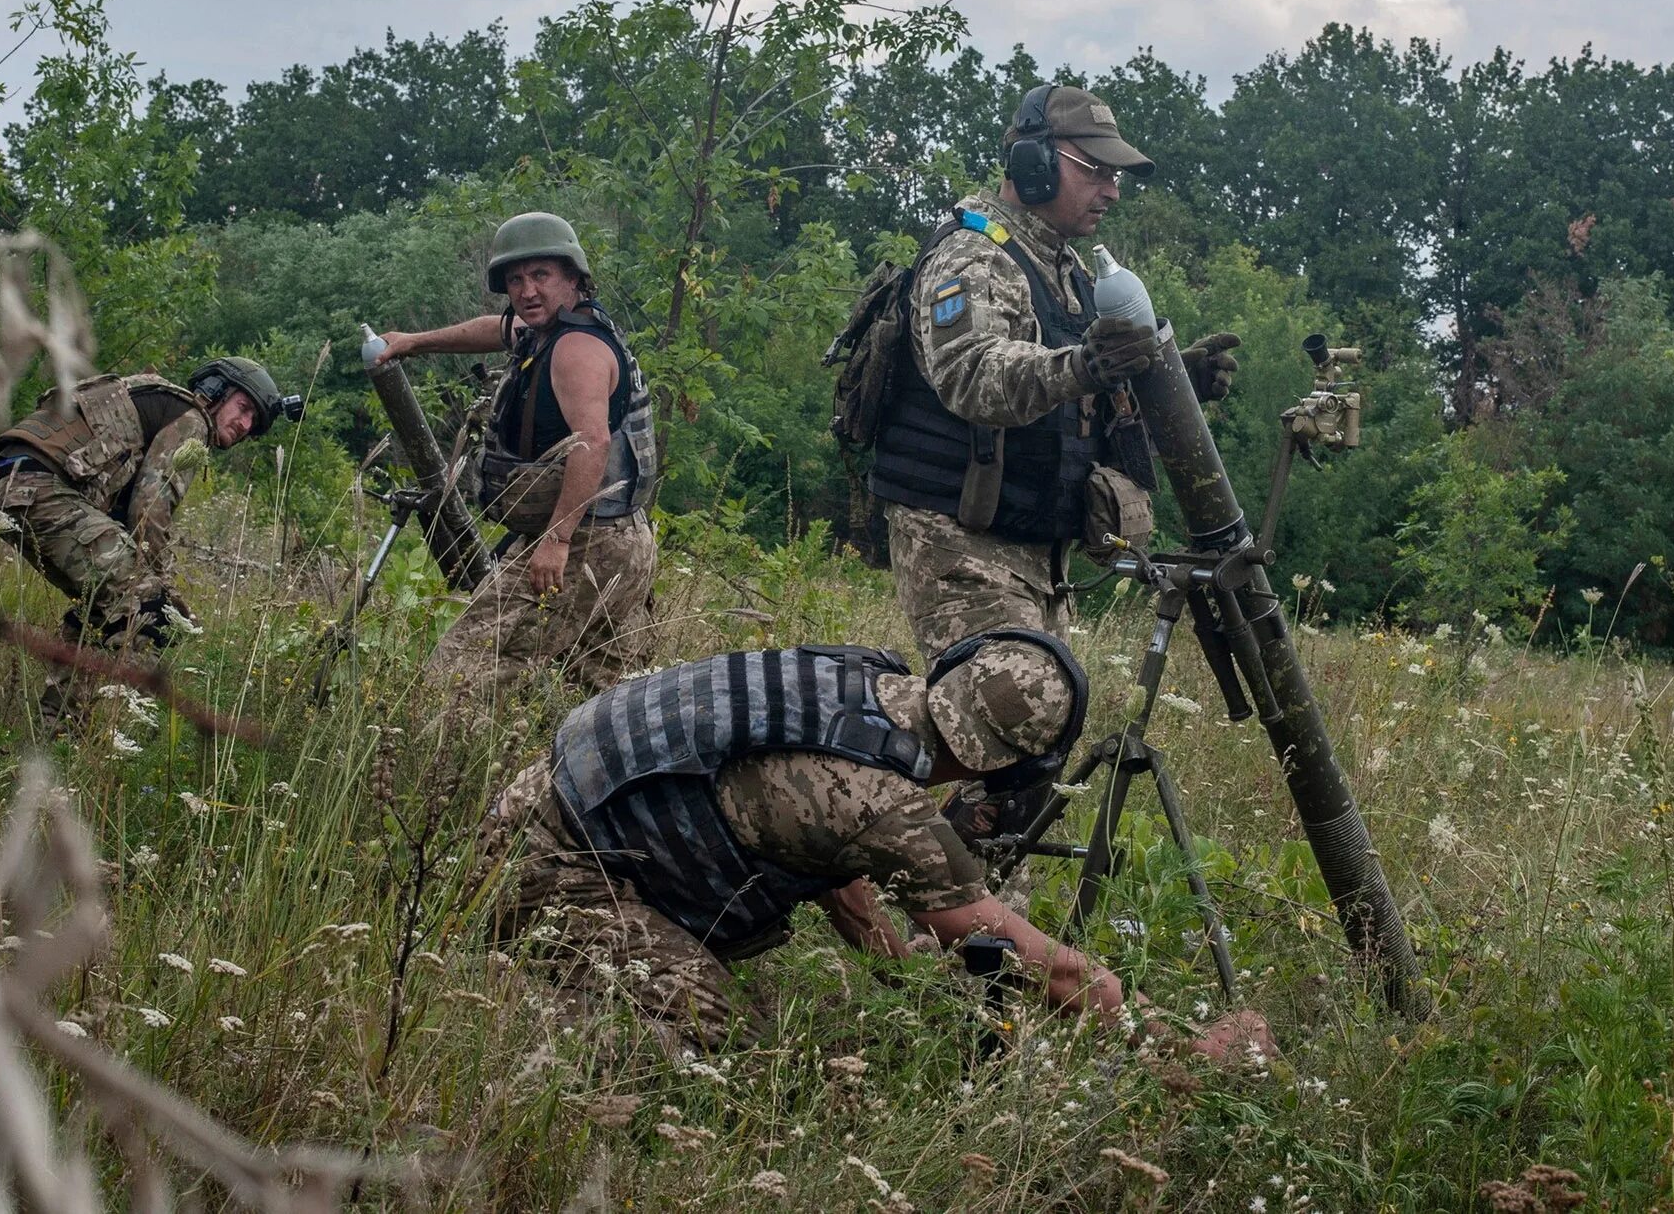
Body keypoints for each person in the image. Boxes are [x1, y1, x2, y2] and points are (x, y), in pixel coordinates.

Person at [474, 629, 1274, 1059]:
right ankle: (520, 1018)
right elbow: (1044, 963)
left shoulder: (861, 676)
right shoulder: (892, 813)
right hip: (556, 876)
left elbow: (822, 842)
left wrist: (891, 961)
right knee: (716, 1039)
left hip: (539, 803)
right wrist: (1181, 1045)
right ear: (1008, 765)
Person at [868, 84, 1239, 837]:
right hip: (960, 539)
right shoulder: (972, 256)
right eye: (1092, 169)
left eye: (1116, 176)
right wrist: (1083, 366)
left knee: (1028, 756)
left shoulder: (1064, 269)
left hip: (1033, 545)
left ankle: (975, 939)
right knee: (1018, 713)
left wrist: (1164, 380)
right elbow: (973, 372)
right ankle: (835, 793)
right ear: (1034, 166)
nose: (1109, 189)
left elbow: (1081, 391)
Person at [374, 211, 657, 700]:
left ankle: (447, 773)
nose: (527, 291)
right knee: (602, 695)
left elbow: (593, 442)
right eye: (516, 280)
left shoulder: (576, 350)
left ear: (573, 277)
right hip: (623, 538)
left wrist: (556, 540)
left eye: (541, 275)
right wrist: (415, 343)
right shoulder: (550, 330)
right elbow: (493, 329)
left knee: (462, 669)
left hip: (588, 544)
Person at [0, 357, 299, 714]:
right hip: (40, 488)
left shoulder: (159, 402)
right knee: (148, 608)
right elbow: (150, 512)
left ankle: (61, 725)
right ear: (215, 391)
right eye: (243, 408)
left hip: (9, 484)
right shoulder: (191, 421)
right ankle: (115, 722)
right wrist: (166, 592)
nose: (244, 424)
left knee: (103, 605)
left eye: (253, 421)